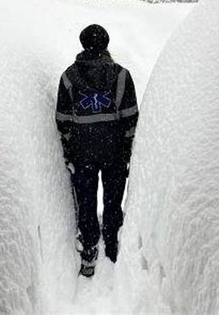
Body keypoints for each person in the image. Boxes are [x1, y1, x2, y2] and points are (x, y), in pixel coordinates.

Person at [55, 24, 139, 278]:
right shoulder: (121, 75)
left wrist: (71, 147)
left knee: (87, 199)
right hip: (114, 151)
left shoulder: (69, 77)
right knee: (113, 199)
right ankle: (112, 245)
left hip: (83, 152)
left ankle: (90, 248)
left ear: (83, 45)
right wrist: (126, 148)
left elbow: (62, 119)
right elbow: (130, 117)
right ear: (106, 44)